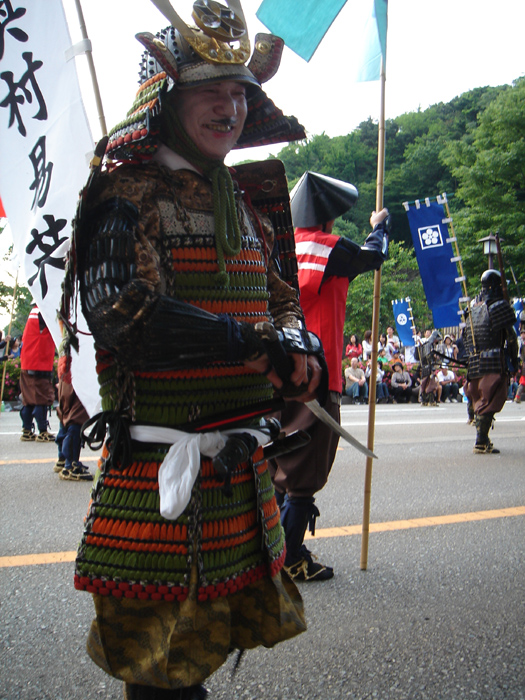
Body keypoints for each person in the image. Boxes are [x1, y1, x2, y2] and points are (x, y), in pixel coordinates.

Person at [62, 12, 326, 699]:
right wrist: (250, 345)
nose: (229, 106)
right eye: (209, 89)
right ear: (165, 97)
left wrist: (301, 347)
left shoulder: (243, 196)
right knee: (156, 663)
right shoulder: (126, 193)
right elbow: (124, 313)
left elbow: (279, 297)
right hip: (158, 469)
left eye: (239, 90)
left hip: (237, 466)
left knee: (203, 648)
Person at [270, 169, 388, 582]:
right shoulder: (326, 249)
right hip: (318, 375)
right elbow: (374, 256)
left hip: (276, 373)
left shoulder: (277, 250)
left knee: (282, 464)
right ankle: (290, 557)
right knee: (307, 472)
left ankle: (275, 549)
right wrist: (380, 226)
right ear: (325, 218)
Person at [462, 270, 519, 453]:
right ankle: (481, 440)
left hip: (475, 360)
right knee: (491, 398)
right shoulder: (496, 306)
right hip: (493, 360)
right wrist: (513, 359)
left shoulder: (471, 308)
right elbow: (510, 337)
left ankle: (483, 439)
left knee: (480, 398)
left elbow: (465, 337)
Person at [19, 305, 56, 442]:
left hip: (27, 361)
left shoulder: (33, 312)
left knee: (28, 399)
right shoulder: (43, 311)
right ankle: (42, 430)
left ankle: (27, 429)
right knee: (42, 399)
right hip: (39, 362)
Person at [54, 349, 92, 481]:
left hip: (67, 365)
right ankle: (71, 464)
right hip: (79, 368)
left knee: (66, 414)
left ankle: (63, 458)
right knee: (76, 416)